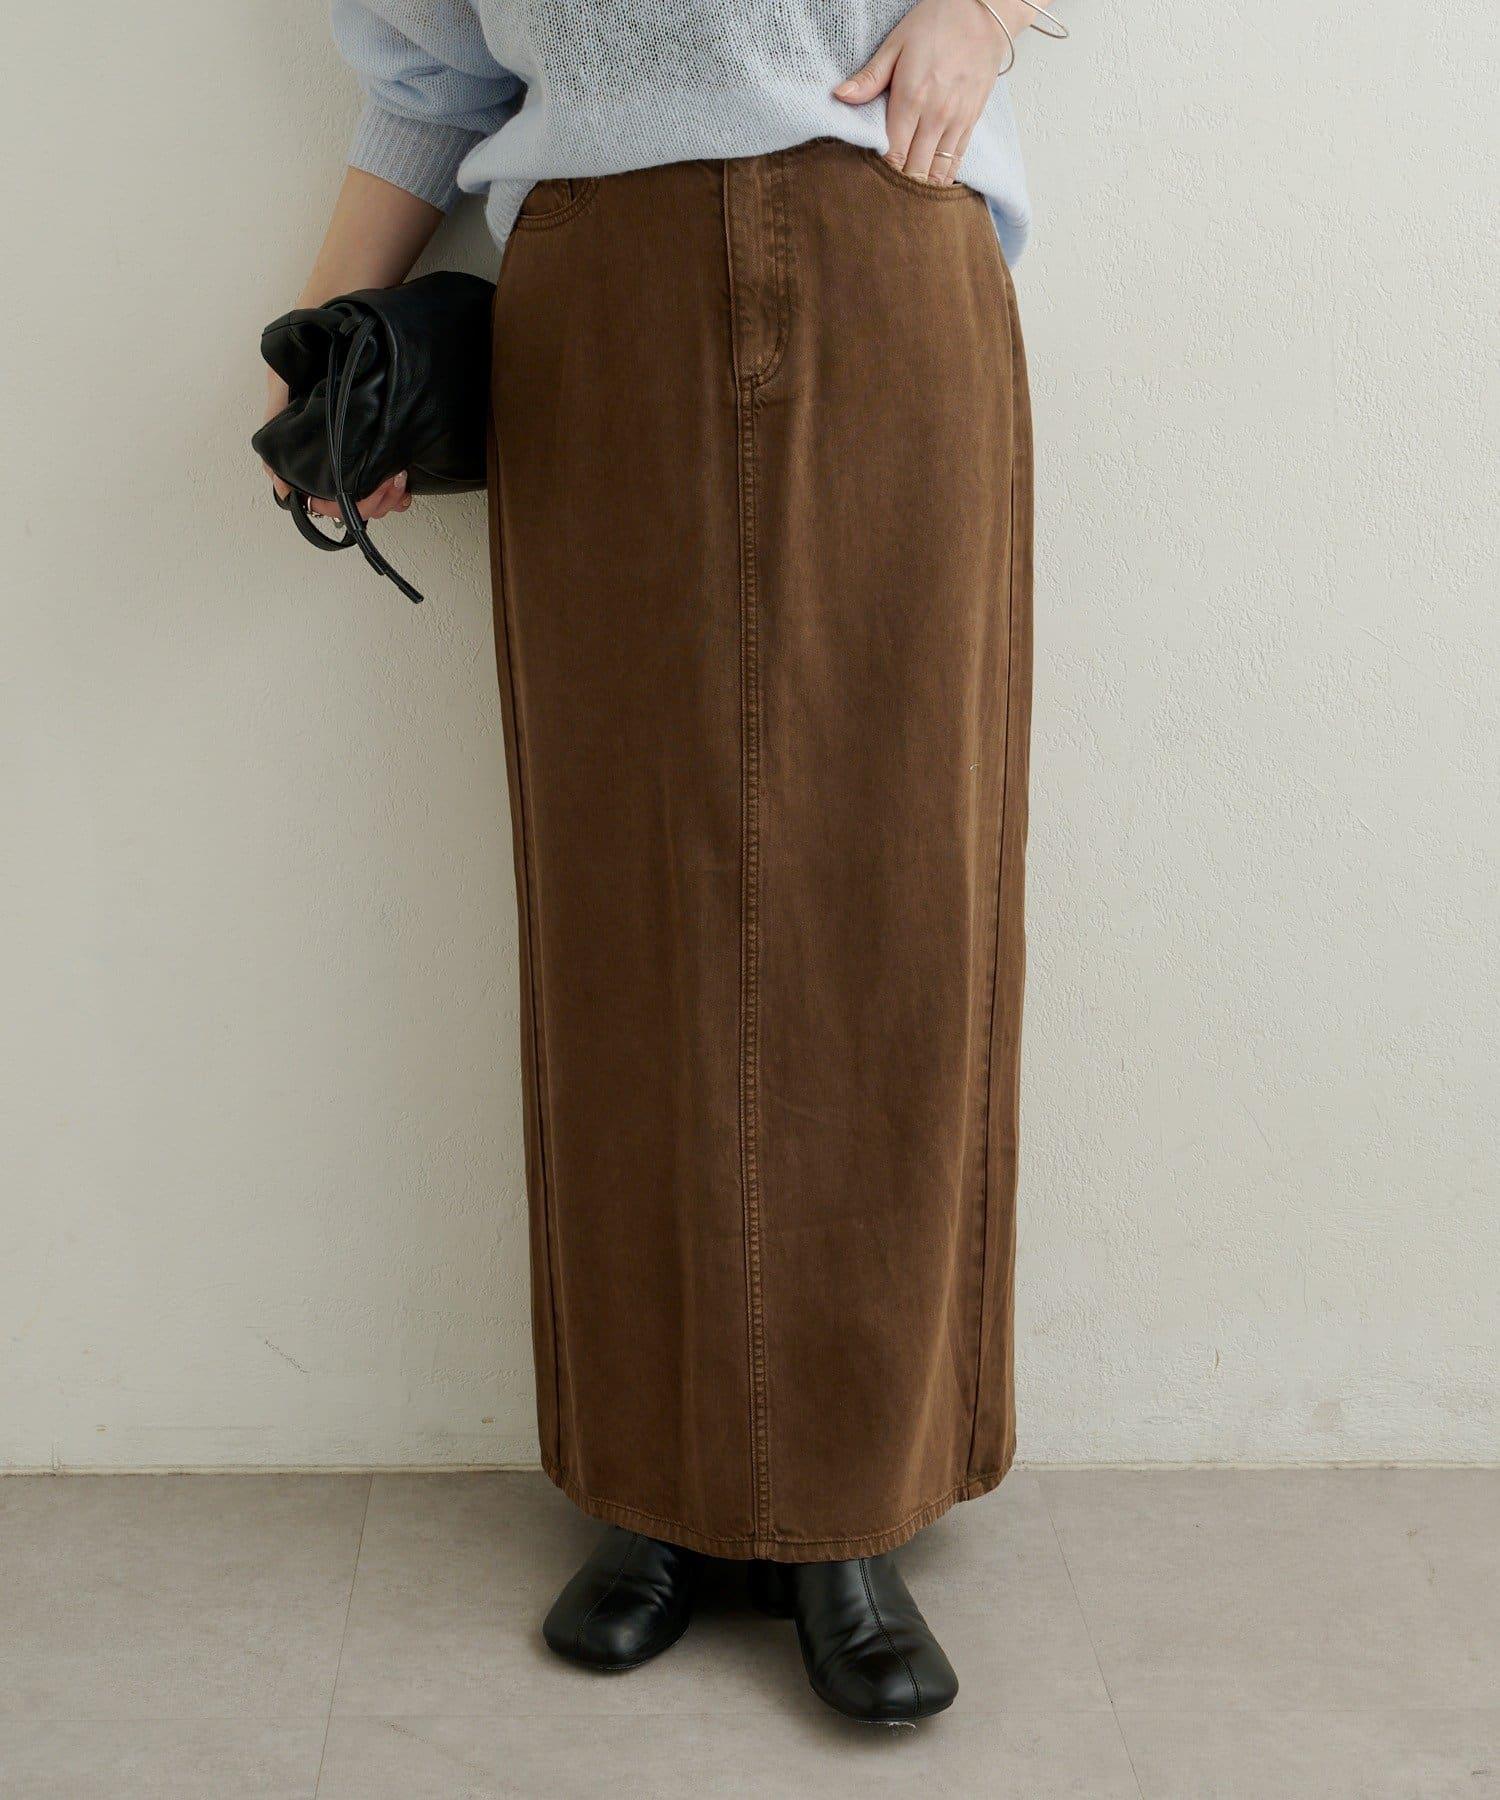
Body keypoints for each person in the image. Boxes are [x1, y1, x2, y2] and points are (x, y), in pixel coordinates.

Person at [265, 0, 1045, 1726]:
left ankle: (854, 1506)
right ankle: (654, 1488)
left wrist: (985, 11)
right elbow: (426, 76)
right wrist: (317, 354)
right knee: (624, 903)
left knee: (892, 902)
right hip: (597, 296)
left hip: (884, 237)